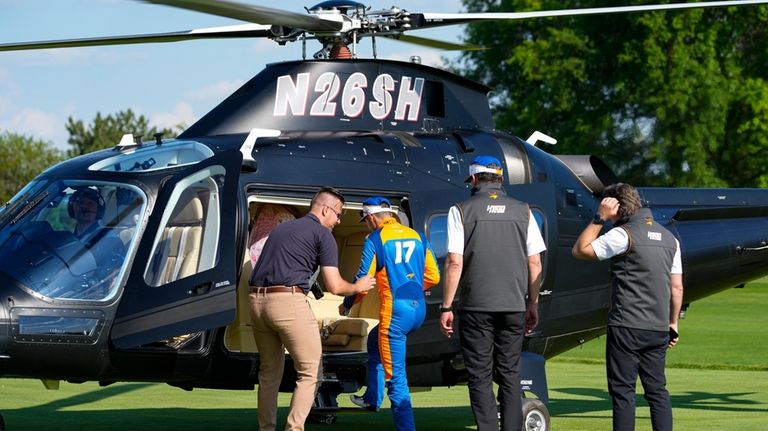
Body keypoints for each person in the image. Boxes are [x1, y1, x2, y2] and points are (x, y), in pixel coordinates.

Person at [248, 186, 375, 431]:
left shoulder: (282, 229)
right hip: (287, 303)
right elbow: (335, 286)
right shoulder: (322, 234)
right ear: (326, 209)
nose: (338, 221)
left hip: (257, 303)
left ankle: (266, 429)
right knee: (310, 372)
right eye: (338, 215)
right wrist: (357, 285)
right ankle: (294, 428)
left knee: (269, 374)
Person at [439, 155, 546, 431]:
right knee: (510, 374)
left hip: (476, 306)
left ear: (474, 179)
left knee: (480, 375)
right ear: (499, 178)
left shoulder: (460, 210)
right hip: (513, 305)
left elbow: (454, 262)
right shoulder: (525, 211)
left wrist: (446, 306)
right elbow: (535, 263)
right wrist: (532, 302)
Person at [572, 183, 683, 431]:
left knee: (623, 392)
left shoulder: (624, 234)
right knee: (657, 391)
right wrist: (672, 322)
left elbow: (580, 250)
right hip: (657, 328)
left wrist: (599, 218)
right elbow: (677, 288)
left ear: (615, 205)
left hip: (627, 325)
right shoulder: (670, 239)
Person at [344, 197, 440, 430]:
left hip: (395, 314)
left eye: (365, 220)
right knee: (374, 341)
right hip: (418, 310)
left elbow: (362, 280)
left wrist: (348, 303)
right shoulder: (417, 235)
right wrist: (413, 287)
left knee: (396, 379)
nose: (366, 225)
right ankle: (372, 398)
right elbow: (434, 276)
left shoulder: (375, 239)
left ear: (371, 218)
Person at [68, 186, 124, 270]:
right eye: (80, 202)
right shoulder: (67, 239)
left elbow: (112, 271)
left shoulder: (107, 238)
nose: (85, 207)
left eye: (90, 203)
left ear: (99, 210)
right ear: (72, 209)